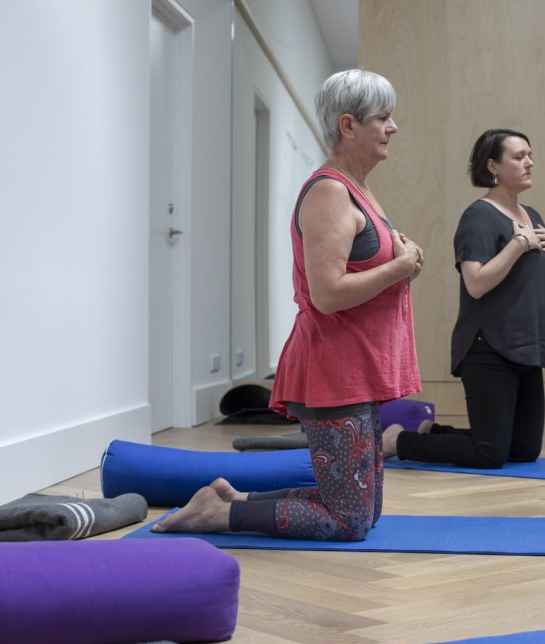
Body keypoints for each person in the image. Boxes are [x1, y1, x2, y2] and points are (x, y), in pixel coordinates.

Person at [153, 69, 422, 540]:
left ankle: (232, 499)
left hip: (356, 370)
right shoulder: (329, 192)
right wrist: (399, 268)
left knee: (366, 511)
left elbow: (361, 268)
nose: (393, 127)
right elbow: (328, 292)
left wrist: (402, 257)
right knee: (350, 520)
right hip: (333, 371)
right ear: (348, 125)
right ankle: (217, 516)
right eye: (383, 117)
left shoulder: (358, 190)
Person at [382, 128, 545, 468]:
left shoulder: (533, 217)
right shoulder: (478, 216)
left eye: (530, 155)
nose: (529, 162)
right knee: (490, 455)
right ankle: (400, 440)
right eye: (519, 156)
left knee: (524, 449)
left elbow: (540, 284)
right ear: (493, 166)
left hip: (525, 348)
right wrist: (518, 245)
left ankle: (433, 431)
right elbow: (476, 284)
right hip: (488, 347)